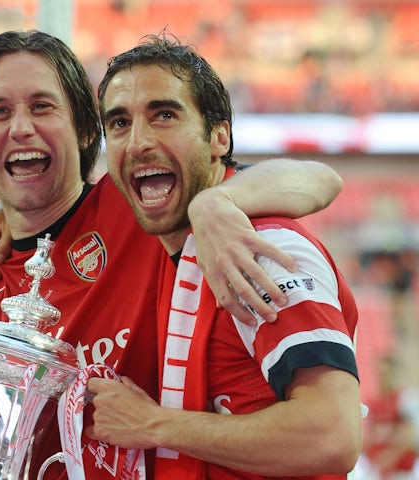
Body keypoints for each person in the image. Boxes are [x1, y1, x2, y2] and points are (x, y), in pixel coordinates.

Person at [0, 30, 342, 479]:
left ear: (82, 130)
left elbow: (319, 179)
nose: (20, 128)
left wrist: (216, 202)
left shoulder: (145, 208)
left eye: (42, 106)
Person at [79, 32, 362, 479]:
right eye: (118, 123)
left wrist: (152, 425)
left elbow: (331, 436)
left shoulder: (263, 250)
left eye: (165, 115)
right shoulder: (159, 237)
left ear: (218, 137)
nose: (137, 142)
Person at [363, 354, 419, 479]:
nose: (383, 378)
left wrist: (390, 457)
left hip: (400, 470)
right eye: (380, 374)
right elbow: (370, 435)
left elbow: (408, 434)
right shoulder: (374, 402)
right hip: (378, 467)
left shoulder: (406, 398)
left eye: (387, 374)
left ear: (395, 374)